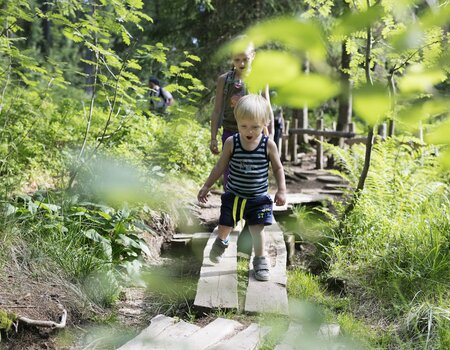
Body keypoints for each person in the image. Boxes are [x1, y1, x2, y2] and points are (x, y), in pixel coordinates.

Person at [198, 94, 286, 281]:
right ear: (237, 122)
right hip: (234, 196)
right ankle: (222, 242)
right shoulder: (232, 142)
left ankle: (260, 260)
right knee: (224, 226)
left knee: (257, 230)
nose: (249, 131)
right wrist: (207, 185)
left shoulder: (268, 145)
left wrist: (282, 190)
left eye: (255, 126)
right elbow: (220, 166)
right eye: (243, 126)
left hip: (258, 199)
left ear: (265, 124)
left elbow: (278, 167)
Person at [209, 40, 274, 188]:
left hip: (255, 133)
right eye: (237, 59)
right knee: (229, 172)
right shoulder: (224, 80)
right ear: (232, 59)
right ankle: (230, 204)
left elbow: (267, 107)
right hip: (230, 132)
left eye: (245, 59)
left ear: (253, 56)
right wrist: (213, 138)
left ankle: (252, 204)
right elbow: (217, 110)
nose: (241, 63)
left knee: (254, 172)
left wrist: (270, 134)